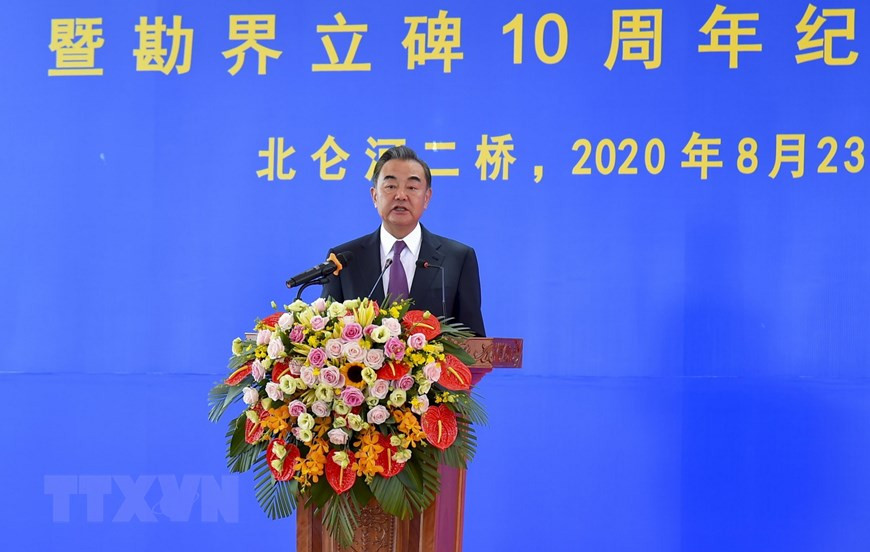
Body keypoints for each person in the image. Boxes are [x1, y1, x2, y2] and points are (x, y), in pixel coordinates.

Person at [321, 146, 486, 336]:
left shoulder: (457, 258)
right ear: (375, 196)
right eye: (391, 186)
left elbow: (473, 340)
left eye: (412, 187)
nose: (400, 195)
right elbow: (327, 334)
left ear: (426, 198)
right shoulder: (344, 259)